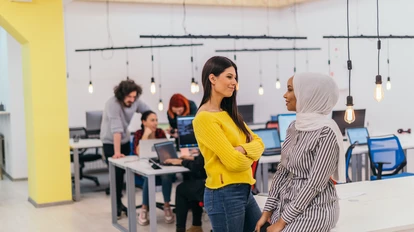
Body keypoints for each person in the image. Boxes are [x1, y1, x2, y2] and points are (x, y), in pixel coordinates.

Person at [255, 72, 345, 232]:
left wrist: (282, 222)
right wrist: (267, 211)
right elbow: (282, 171)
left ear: (308, 94)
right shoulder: (293, 127)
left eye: (290, 90)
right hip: (287, 203)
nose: (285, 95)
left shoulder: (326, 132)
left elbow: (314, 184)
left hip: (316, 209)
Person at [193, 56, 265, 232]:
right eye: (229, 77)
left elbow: (260, 143)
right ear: (212, 78)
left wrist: (241, 149)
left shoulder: (228, 113)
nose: (234, 82)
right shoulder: (204, 118)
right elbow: (234, 162)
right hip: (224, 193)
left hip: (244, 190)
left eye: (235, 78)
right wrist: (248, 154)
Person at [100, 79, 150, 218]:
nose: (132, 99)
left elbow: (148, 111)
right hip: (110, 141)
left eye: (134, 96)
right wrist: (117, 153)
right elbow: (116, 129)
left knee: (123, 174)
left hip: (125, 140)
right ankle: (116, 205)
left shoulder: (135, 101)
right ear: (121, 95)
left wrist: (149, 124)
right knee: (115, 175)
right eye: (129, 97)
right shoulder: (112, 104)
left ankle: (122, 203)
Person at [133, 110, 175, 226]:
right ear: (144, 122)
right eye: (152, 120)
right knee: (148, 176)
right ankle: (144, 208)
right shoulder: (138, 133)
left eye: (156, 120)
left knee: (167, 175)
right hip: (144, 165)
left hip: (160, 163)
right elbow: (139, 152)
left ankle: (167, 206)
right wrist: (146, 134)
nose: (155, 123)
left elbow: (167, 150)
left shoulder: (160, 132)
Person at [164, 154, 206, 232]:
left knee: (181, 189)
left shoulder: (210, 142)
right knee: (192, 182)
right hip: (224, 183)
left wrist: (181, 162)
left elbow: (197, 166)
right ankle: (196, 226)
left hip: (213, 187)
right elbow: (205, 158)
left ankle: (181, 229)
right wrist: (193, 158)